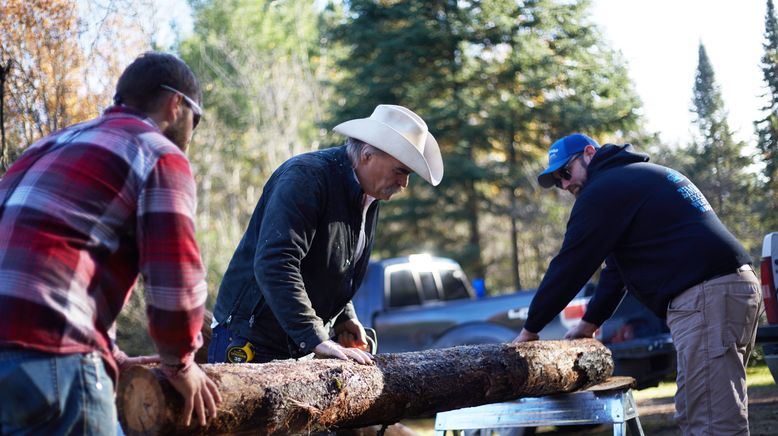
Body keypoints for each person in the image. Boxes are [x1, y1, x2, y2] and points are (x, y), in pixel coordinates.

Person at [0, 52, 221, 434]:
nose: (192, 135)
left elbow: (56, 263)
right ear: (176, 105)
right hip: (53, 357)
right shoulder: (158, 153)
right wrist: (181, 363)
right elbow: (173, 276)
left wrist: (115, 357)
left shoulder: (48, 145)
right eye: (196, 120)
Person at [513, 133, 762, 435]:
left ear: (589, 153)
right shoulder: (635, 180)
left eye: (566, 172)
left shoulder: (603, 190)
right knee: (701, 407)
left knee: (712, 421)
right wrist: (589, 324)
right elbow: (616, 270)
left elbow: (571, 265)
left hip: (707, 295)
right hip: (728, 289)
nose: (565, 185)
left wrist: (530, 330)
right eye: (558, 181)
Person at [208, 104, 443, 365]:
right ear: (367, 155)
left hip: (293, 343)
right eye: (400, 171)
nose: (404, 183)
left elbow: (332, 267)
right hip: (249, 341)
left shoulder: (368, 196)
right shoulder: (306, 177)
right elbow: (275, 263)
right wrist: (315, 337)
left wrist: (344, 317)